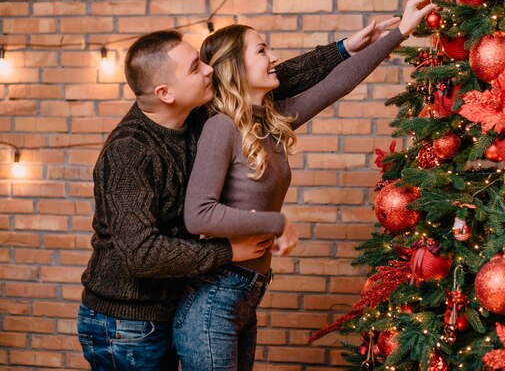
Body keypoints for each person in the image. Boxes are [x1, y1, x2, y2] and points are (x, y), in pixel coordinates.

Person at [77, 22, 392, 371]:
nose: (209, 69)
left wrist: (344, 47)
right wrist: (228, 250)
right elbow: (141, 254)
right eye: (196, 67)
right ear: (166, 92)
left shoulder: (197, 115)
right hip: (125, 324)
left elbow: (272, 79)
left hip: (173, 304)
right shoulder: (130, 152)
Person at [174, 0, 439, 370]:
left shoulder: (269, 119)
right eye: (261, 51)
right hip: (214, 297)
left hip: (243, 294)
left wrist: (400, 31)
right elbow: (198, 215)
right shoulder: (221, 127)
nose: (273, 58)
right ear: (233, 67)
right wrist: (276, 222)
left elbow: (338, 83)